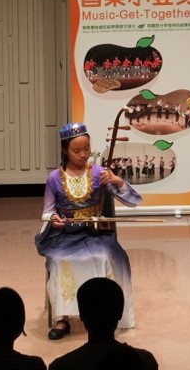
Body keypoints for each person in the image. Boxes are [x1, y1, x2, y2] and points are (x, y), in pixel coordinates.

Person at [36, 122, 142, 340]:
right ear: (65, 150)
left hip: (95, 235)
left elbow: (133, 201)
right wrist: (53, 220)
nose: (83, 155)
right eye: (76, 151)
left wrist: (116, 180)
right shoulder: (54, 178)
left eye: (86, 149)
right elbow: (47, 212)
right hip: (65, 236)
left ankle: (104, 314)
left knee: (103, 258)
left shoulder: (99, 173)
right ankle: (63, 317)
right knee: (59, 261)